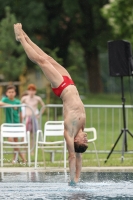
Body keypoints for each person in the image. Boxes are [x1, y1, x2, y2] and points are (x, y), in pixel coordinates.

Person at [14, 23, 88, 185]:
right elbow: (80, 158)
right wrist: (78, 178)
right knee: (48, 58)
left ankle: (21, 38)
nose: (86, 138)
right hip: (70, 83)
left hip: (62, 88)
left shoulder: (69, 132)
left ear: (76, 141)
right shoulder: (82, 127)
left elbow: (73, 156)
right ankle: (26, 37)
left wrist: (71, 180)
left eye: (84, 141)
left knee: (41, 61)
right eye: (86, 141)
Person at [0, 84, 27, 164]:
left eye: (12, 92)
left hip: (16, 123)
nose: (11, 93)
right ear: (7, 93)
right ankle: (23, 158)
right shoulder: (5, 99)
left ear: (15, 93)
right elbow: (0, 103)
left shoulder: (18, 102)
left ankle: (14, 160)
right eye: (9, 92)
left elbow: (21, 114)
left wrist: (21, 124)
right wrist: (11, 105)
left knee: (15, 141)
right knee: (10, 140)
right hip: (8, 124)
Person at [21, 84, 45, 149]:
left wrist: (39, 114)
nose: (31, 92)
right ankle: (25, 148)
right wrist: (22, 115)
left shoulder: (37, 98)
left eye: (33, 90)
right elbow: (19, 107)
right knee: (25, 133)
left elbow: (43, 106)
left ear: (35, 91)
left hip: (34, 117)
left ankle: (32, 148)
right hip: (27, 117)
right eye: (30, 90)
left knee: (33, 134)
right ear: (28, 91)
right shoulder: (24, 98)